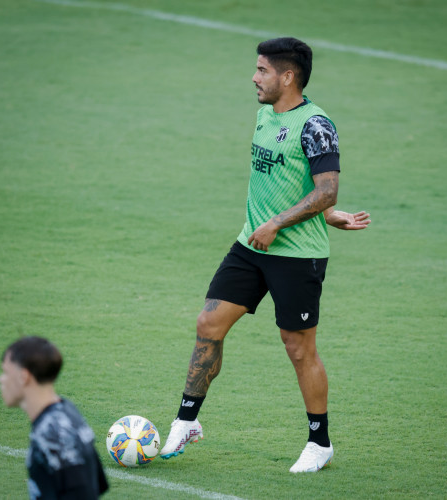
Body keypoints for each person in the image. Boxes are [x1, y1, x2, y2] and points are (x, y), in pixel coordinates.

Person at [159, 37, 370, 473]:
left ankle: (319, 442)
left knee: (298, 348)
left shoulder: (316, 125)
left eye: (262, 70)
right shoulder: (263, 115)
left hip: (297, 255)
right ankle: (186, 420)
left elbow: (327, 187)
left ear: (287, 76)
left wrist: (286, 221)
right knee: (208, 323)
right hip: (251, 245)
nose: (254, 77)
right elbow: (294, 184)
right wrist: (324, 216)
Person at [0, 336, 109, 499]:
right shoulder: (66, 412)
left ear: (24, 376)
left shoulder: (54, 433)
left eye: (6, 372)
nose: (1, 379)